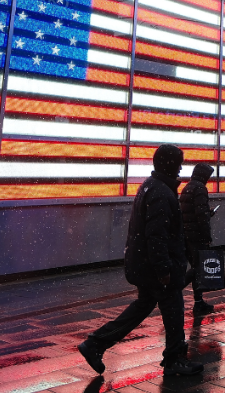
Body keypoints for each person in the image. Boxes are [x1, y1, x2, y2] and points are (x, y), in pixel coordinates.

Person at [78, 145, 203, 377]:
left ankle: (96, 343)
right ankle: (174, 359)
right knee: (173, 309)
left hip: (144, 265)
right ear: (170, 164)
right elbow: (156, 235)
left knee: (142, 308)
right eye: (178, 162)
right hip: (156, 268)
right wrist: (164, 268)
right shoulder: (161, 193)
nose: (181, 167)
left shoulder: (151, 186)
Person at [180, 163, 216, 315]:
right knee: (198, 269)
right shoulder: (200, 188)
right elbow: (201, 217)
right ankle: (176, 289)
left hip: (187, 234)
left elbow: (190, 212)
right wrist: (207, 237)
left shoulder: (187, 187)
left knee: (197, 267)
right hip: (197, 236)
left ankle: (198, 302)